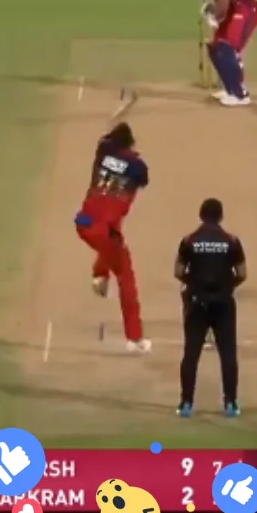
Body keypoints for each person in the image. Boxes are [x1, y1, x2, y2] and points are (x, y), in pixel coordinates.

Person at [75, 122, 152, 353]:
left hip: (83, 221)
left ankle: (100, 274)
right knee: (126, 277)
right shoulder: (137, 166)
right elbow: (142, 178)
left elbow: (105, 143)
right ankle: (134, 338)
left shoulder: (103, 151)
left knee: (112, 238)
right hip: (102, 230)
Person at [175, 198, 246, 418]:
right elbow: (242, 273)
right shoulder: (232, 241)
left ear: (201, 215)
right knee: (228, 354)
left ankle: (186, 404)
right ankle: (230, 404)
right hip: (223, 303)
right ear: (221, 216)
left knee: (191, 354)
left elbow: (178, 271)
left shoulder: (189, 241)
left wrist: (192, 283)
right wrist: (227, 285)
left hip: (197, 303)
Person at [197, 0, 257, 107]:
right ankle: (230, 89)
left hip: (246, 10)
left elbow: (223, 5)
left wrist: (214, 16)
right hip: (234, 11)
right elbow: (223, 1)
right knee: (215, 48)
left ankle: (240, 94)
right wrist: (211, 10)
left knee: (226, 48)